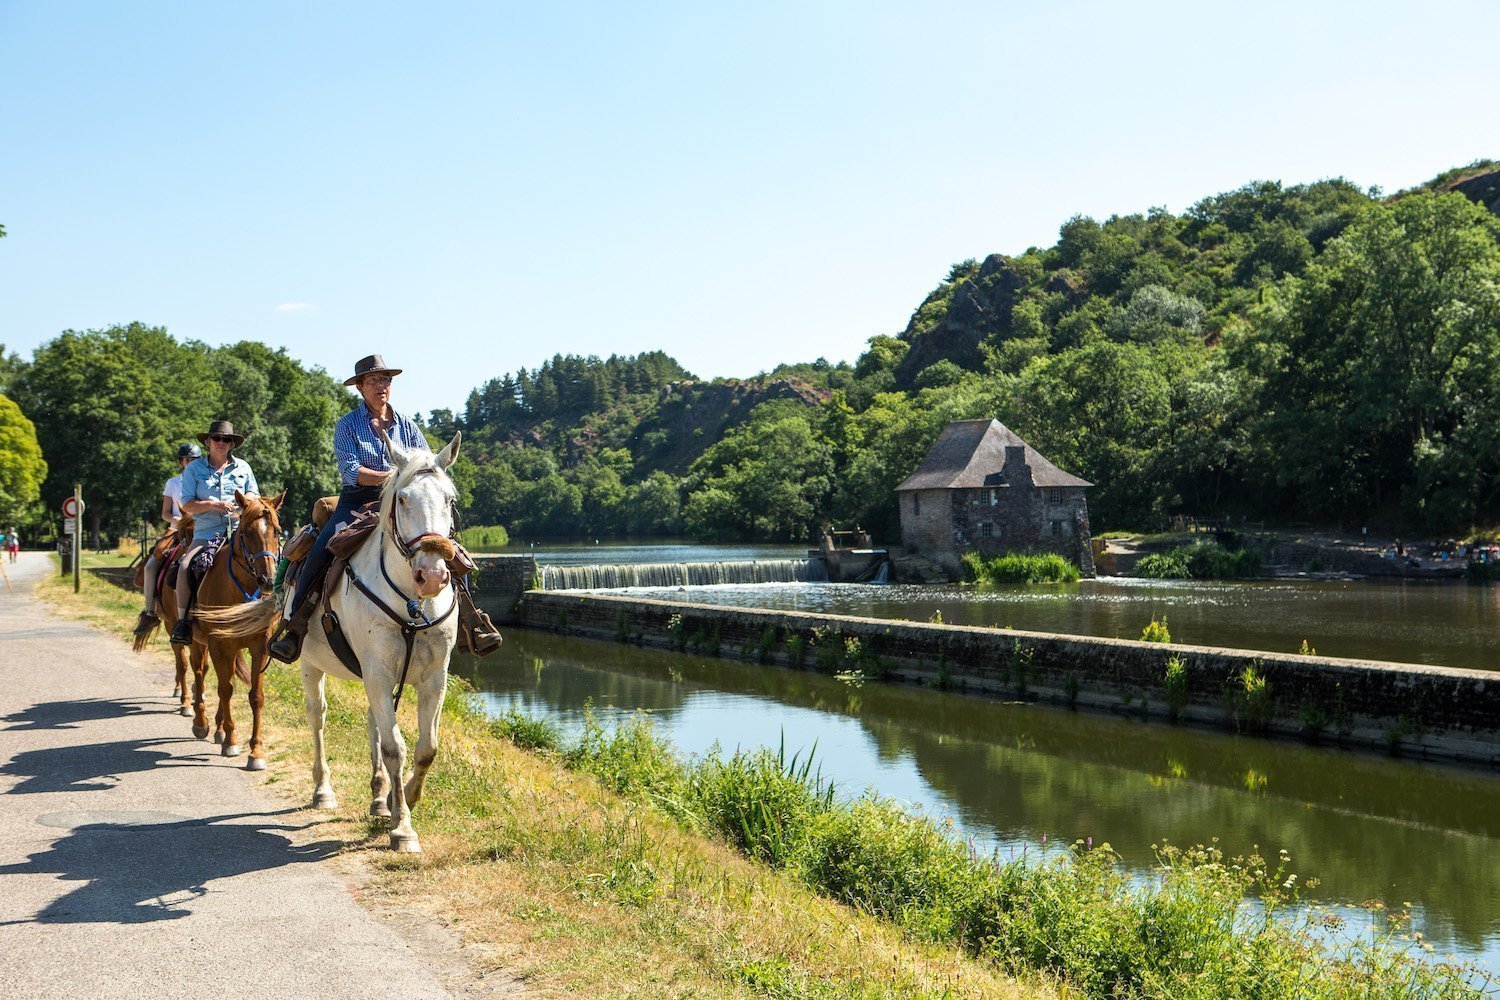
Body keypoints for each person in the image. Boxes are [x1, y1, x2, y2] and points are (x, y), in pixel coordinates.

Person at [269, 354, 502, 662]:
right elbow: (351, 470)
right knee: (322, 549)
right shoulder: (347, 425)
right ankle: (295, 627)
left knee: (451, 552)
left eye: (385, 380)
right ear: (360, 387)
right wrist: (393, 477)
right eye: (373, 381)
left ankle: (468, 623)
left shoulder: (408, 426)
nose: (381, 386)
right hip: (357, 502)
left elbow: (427, 468)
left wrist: (414, 482)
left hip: (404, 502)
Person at [169, 421, 260, 645]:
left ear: (231, 444)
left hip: (240, 531)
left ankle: (274, 614)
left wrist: (244, 505)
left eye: (226, 439)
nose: (221, 443)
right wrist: (213, 505)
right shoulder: (194, 469)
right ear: (208, 442)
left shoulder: (244, 468)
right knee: (184, 566)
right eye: (217, 439)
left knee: (268, 560)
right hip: (206, 532)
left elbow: (254, 495)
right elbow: (187, 504)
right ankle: (183, 622)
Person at [134, 442, 201, 637]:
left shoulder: (204, 482)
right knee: (150, 566)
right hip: (175, 531)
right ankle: (150, 611)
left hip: (200, 531)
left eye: (194, 460)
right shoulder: (173, 483)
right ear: (181, 462)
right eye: (187, 460)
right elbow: (164, 513)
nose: (190, 463)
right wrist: (177, 520)